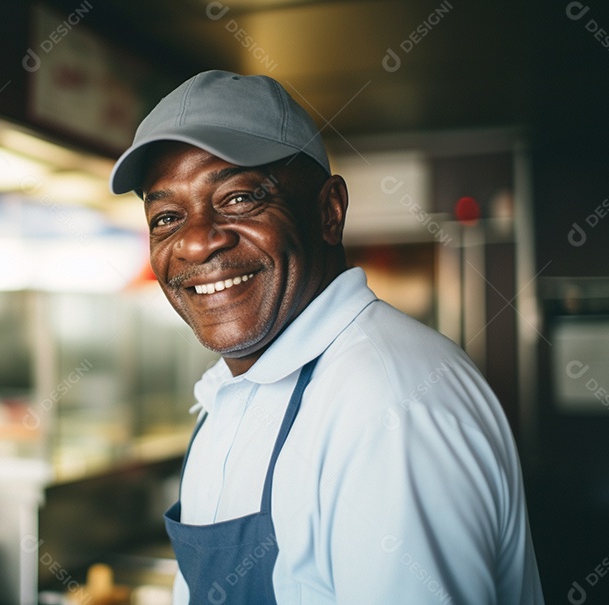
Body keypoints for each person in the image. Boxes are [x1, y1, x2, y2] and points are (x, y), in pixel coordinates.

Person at [110, 70, 543, 604]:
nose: (198, 243)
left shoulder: (387, 401)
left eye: (240, 198)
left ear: (328, 211)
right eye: (168, 216)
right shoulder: (227, 397)